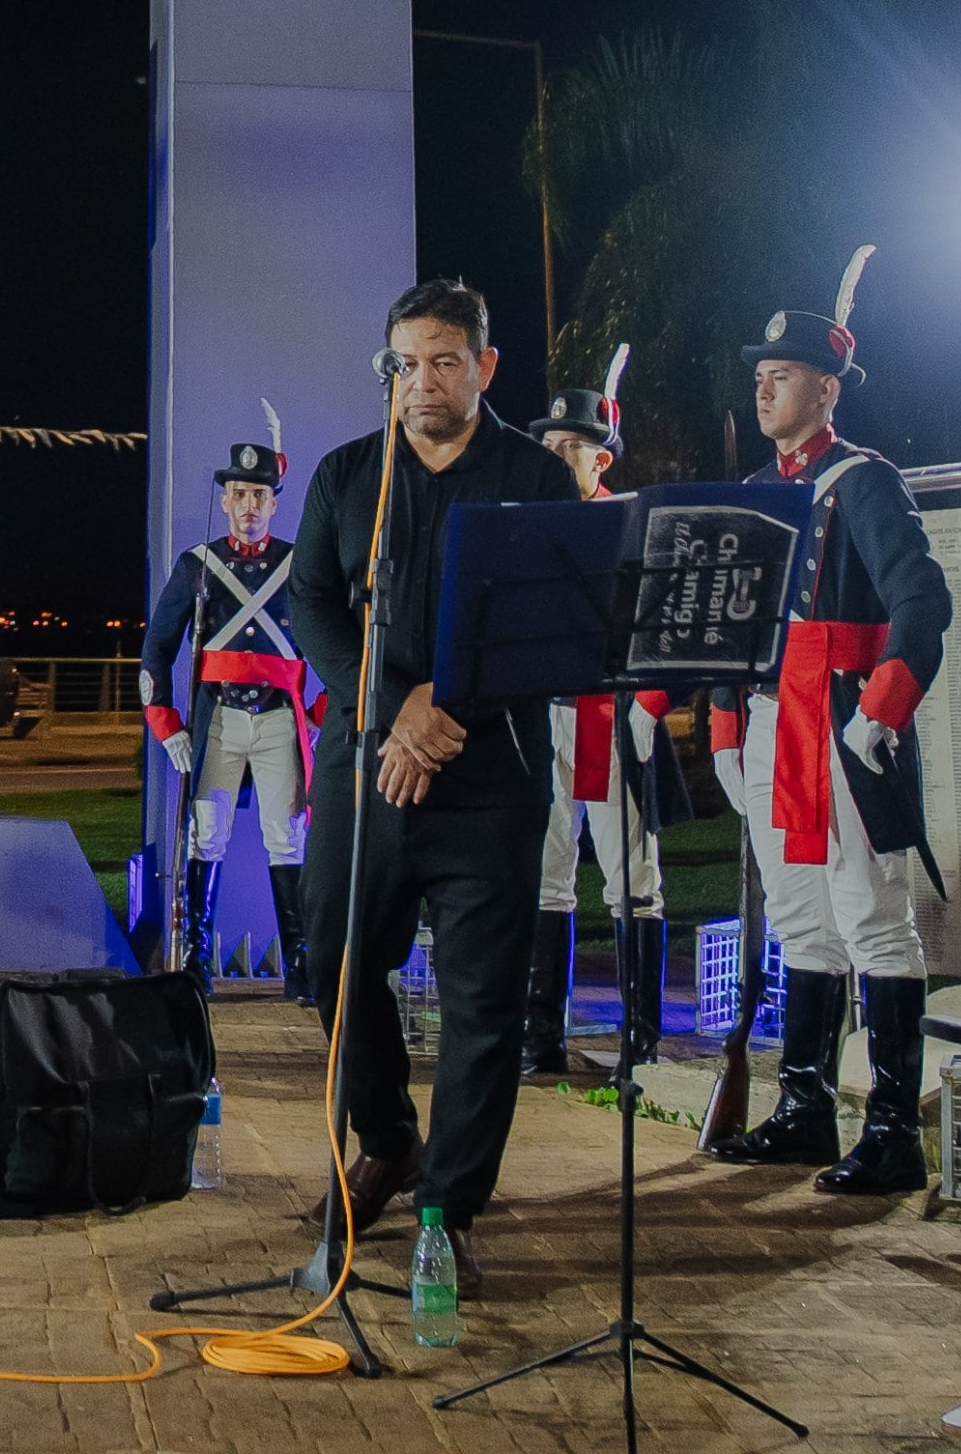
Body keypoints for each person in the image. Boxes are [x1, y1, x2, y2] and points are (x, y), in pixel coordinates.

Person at [277, 278, 580, 1297]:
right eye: (405, 362)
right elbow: (314, 604)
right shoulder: (346, 474)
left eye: (444, 360)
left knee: (482, 1006)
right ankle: (386, 1137)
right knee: (335, 960)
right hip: (365, 768)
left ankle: (448, 1208)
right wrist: (392, 707)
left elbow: (552, 620)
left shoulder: (534, 478)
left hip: (488, 781)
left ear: (485, 367)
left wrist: (434, 713)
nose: (422, 381)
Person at [700, 269, 954, 1197]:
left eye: (784, 369)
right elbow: (731, 622)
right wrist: (726, 728)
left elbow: (922, 602)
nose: (763, 384)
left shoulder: (867, 481)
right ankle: (804, 1109)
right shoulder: (759, 490)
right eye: (759, 371)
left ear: (827, 389)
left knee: (874, 922)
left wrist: (881, 715)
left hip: (843, 724)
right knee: (802, 923)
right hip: (771, 725)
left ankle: (892, 1131)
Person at [528, 372, 681, 1074]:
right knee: (547, 875)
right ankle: (540, 1036)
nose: (560, 457)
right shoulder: (529, 523)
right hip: (546, 716)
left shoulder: (634, 525)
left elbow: (666, 626)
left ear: (603, 458)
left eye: (574, 448)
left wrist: (650, 707)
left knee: (632, 880)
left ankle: (639, 1040)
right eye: (552, 445)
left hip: (614, 717)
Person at [139, 436, 313, 1002]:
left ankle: (302, 965)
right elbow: (157, 651)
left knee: (286, 838)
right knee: (206, 834)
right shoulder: (198, 565)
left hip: (278, 720)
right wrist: (167, 727)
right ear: (224, 501)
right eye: (239, 493)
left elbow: (340, 643)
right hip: (217, 718)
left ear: (274, 502)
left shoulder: (300, 565)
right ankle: (195, 962)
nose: (249, 505)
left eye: (259, 494)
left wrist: (319, 714)